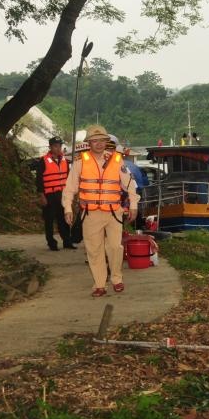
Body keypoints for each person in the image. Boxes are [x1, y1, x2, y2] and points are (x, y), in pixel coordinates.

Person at [63, 125, 138, 297]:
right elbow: (69, 188)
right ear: (89, 143)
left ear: (106, 142)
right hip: (90, 213)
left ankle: (117, 279)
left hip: (114, 212)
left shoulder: (117, 160)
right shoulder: (80, 162)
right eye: (94, 141)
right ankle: (99, 284)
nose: (98, 144)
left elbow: (129, 185)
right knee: (94, 249)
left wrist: (133, 205)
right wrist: (68, 208)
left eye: (102, 140)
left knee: (115, 247)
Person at [36, 136, 74, 251]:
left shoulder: (64, 160)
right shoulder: (43, 161)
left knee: (64, 218)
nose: (58, 149)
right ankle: (51, 243)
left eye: (59, 146)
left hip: (62, 194)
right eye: (55, 146)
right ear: (50, 147)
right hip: (49, 195)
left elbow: (69, 178)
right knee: (49, 220)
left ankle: (67, 241)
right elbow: (39, 180)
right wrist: (42, 196)